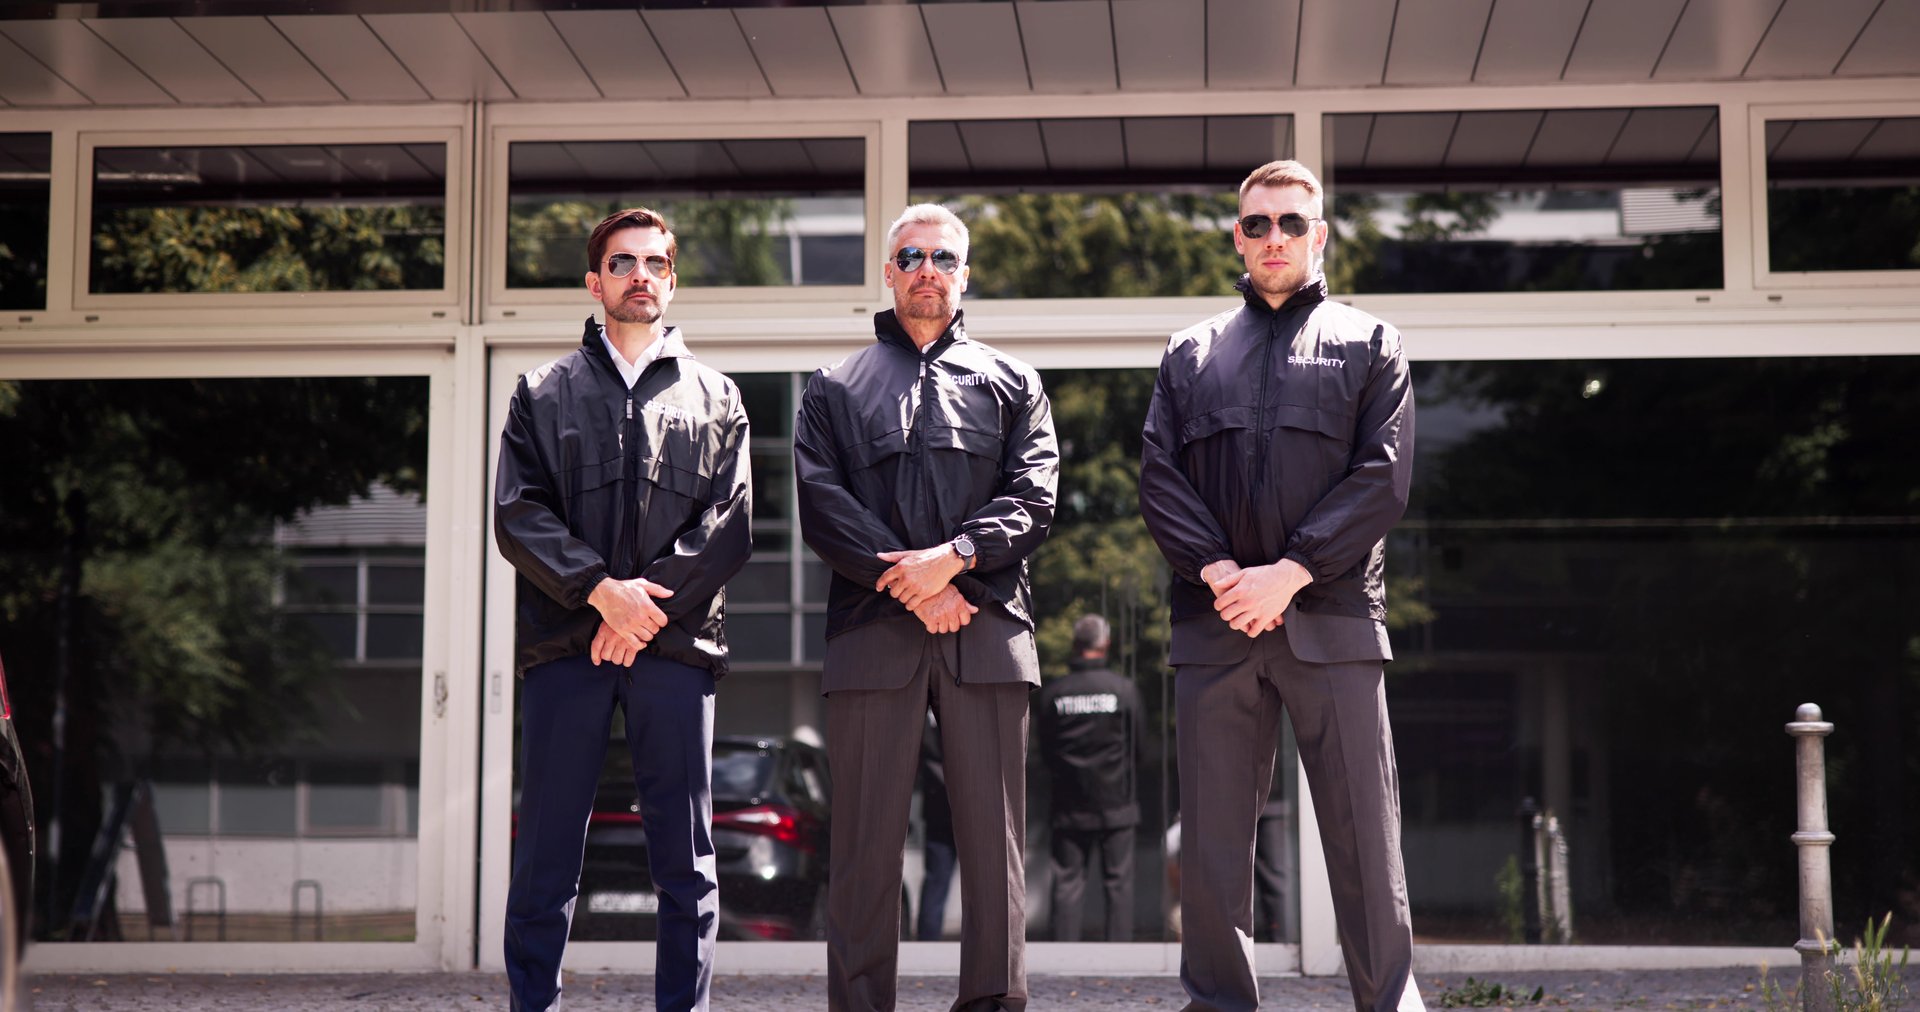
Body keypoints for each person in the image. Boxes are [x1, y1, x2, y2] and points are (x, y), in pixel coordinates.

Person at [1139, 160, 1421, 1012]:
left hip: (1331, 620)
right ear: (1237, 235)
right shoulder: (1191, 354)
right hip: (1217, 621)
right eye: (1257, 223)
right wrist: (1227, 575)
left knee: (1365, 836)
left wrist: (1291, 572)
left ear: (1320, 235)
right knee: (1217, 846)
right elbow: (1159, 479)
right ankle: (1219, 1003)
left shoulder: (1372, 343)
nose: (1273, 238)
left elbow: (1383, 478)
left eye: (1291, 223)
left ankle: (1389, 1000)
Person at [794, 203, 1058, 1012]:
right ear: (888, 271)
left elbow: (1034, 496)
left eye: (944, 256)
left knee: (993, 845)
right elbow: (821, 502)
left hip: (987, 631)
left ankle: (993, 1003)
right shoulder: (834, 387)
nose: (927, 268)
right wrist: (912, 581)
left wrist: (956, 564)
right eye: (910, 255)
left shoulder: (1012, 381)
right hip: (873, 633)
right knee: (866, 848)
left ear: (965, 274)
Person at [493, 207, 752, 1012]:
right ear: (594, 280)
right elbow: (518, 513)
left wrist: (639, 612)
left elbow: (730, 525)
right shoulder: (541, 392)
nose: (640, 275)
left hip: (674, 655)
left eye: (654, 263)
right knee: (545, 854)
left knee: (686, 860)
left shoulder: (718, 398)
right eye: (622, 262)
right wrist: (602, 594)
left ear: (672, 282)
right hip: (566, 649)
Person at [1034, 613, 1141, 942]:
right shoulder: (1123, 690)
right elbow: (1138, 747)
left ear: (1075, 645)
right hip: (1117, 802)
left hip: (1069, 804)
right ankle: (1120, 958)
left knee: (1067, 883)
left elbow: (1046, 749)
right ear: (1105, 644)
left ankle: (1064, 957)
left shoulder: (1054, 693)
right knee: (1118, 884)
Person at [915, 711, 957, 942]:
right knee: (985, 880)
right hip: (969, 802)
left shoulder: (922, 715)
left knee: (936, 879)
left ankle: (927, 941)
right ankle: (992, 944)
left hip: (937, 803)